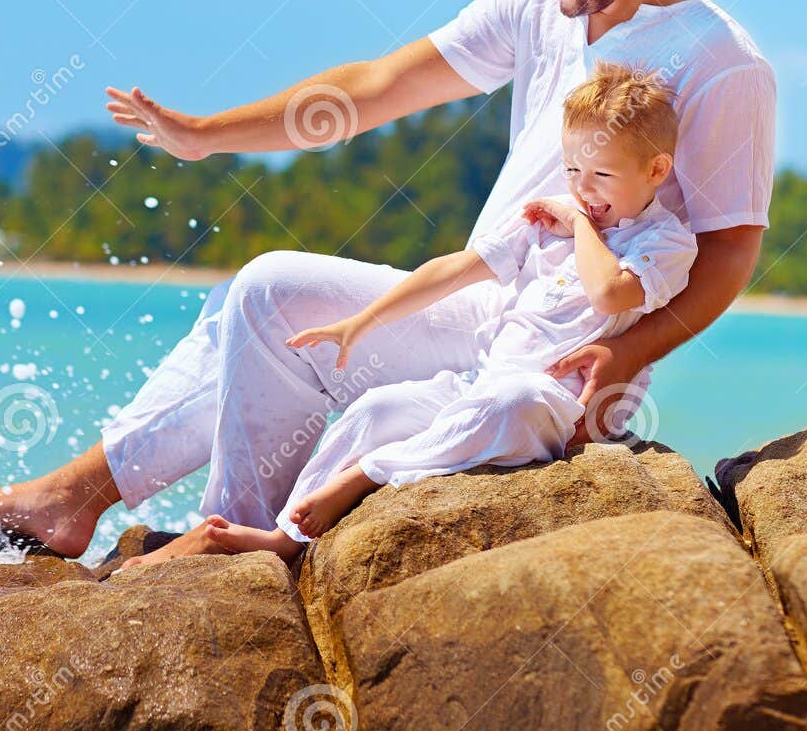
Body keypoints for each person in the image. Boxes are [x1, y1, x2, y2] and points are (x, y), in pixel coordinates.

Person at [0, 0, 776, 566]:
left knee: (257, 305)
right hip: (480, 300)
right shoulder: (539, 4)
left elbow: (732, 249)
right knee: (265, 292)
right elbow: (374, 87)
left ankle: (203, 543)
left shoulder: (720, 61)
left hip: (557, 356)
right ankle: (157, 513)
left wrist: (624, 357)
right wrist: (207, 135)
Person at [184, 61, 695, 563]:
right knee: (377, 409)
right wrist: (361, 322)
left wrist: (581, 225)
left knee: (513, 401)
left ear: (655, 170)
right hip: (482, 384)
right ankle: (285, 536)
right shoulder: (548, 218)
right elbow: (455, 269)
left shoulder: (666, 241)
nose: (583, 188)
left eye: (602, 174)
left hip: (566, 408)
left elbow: (609, 293)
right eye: (571, 170)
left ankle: (366, 476)